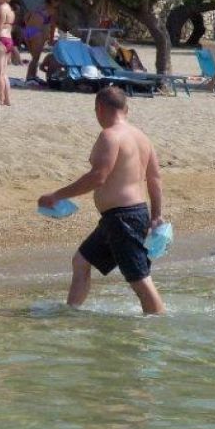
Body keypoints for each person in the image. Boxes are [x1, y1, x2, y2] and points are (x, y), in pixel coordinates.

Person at [38, 87, 165, 315]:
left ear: (99, 108)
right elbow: (155, 178)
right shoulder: (142, 137)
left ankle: (159, 327)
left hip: (123, 219)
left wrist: (57, 195)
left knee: (139, 279)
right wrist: (156, 215)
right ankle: (72, 313)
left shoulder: (110, 135)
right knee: (81, 261)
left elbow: (98, 177)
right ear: (126, 109)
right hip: (122, 217)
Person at [22, 0, 59, 83]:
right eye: (57, 1)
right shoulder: (53, 11)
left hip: (28, 31)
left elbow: (26, 16)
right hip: (37, 32)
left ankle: (32, 76)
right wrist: (50, 39)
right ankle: (30, 77)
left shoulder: (39, 7)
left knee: (34, 57)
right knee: (36, 57)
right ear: (53, 1)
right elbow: (53, 25)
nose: (59, 3)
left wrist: (29, 26)